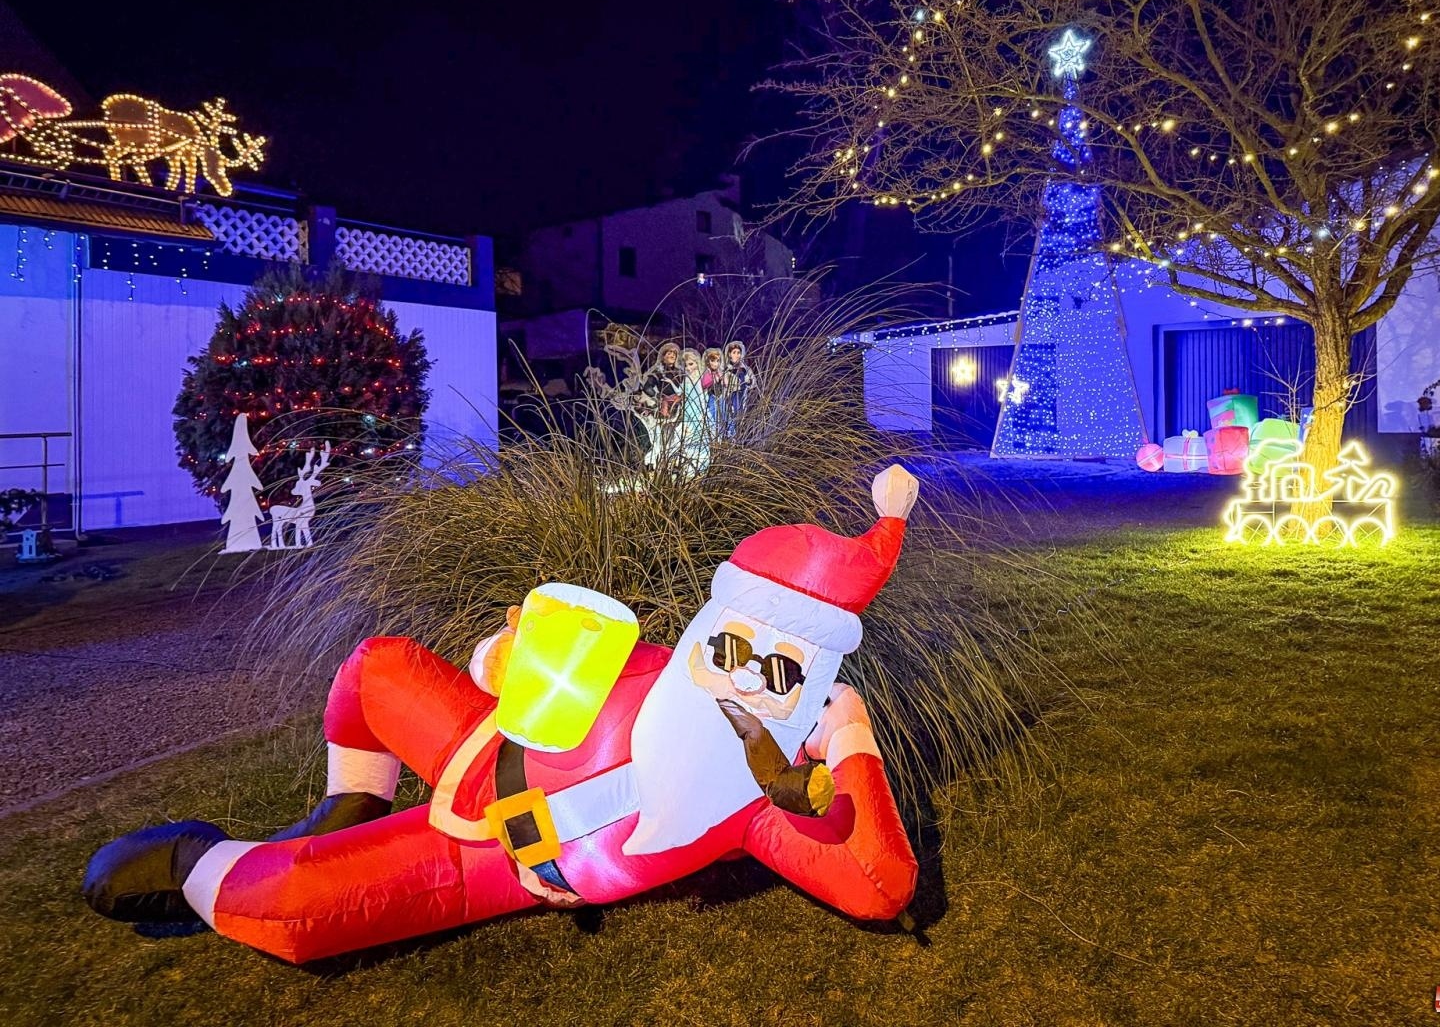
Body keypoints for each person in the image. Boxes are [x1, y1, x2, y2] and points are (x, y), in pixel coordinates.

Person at [82, 467, 924, 965]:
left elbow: (878, 887)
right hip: (483, 742)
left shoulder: (755, 805)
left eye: (781, 672)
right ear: (712, 625)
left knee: (299, 905)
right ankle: (351, 803)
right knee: (377, 668)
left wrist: (852, 737)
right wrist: (502, 651)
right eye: (733, 646)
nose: (742, 680)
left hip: (495, 854)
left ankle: (196, 861)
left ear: (811, 687)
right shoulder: (651, 666)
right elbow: (506, 671)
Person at [637, 342, 682, 471]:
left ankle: (671, 460)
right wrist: (657, 396)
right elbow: (647, 386)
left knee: (675, 433)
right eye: (669, 354)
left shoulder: (679, 372)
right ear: (663, 357)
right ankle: (656, 461)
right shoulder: (659, 373)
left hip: (678, 404)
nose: (672, 356)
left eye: (674, 354)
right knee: (662, 433)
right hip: (665, 405)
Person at [677, 349, 712, 476]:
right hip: (688, 411)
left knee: (701, 437)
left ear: (697, 363)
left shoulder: (701, 378)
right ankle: (690, 467)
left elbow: (704, 396)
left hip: (699, 411)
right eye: (686, 365)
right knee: (688, 437)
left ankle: (703, 465)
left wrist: (703, 413)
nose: (688, 368)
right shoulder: (686, 380)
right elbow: (681, 394)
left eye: (691, 364)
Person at [723, 340, 756, 437]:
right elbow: (725, 384)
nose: (737, 355)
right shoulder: (727, 369)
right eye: (734, 353)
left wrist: (749, 382)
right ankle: (731, 435)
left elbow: (753, 382)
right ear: (729, 354)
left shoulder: (746, 368)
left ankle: (740, 435)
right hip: (732, 397)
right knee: (732, 416)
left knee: (742, 416)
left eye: (738, 353)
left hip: (743, 395)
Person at [701, 346, 727, 439]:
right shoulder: (707, 374)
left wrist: (722, 379)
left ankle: (728, 433)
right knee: (713, 414)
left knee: (725, 413)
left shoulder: (720, 373)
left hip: (721, 396)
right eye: (713, 361)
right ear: (708, 362)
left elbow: (726, 384)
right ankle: (715, 434)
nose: (715, 364)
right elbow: (704, 384)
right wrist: (713, 380)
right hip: (711, 396)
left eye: (717, 361)